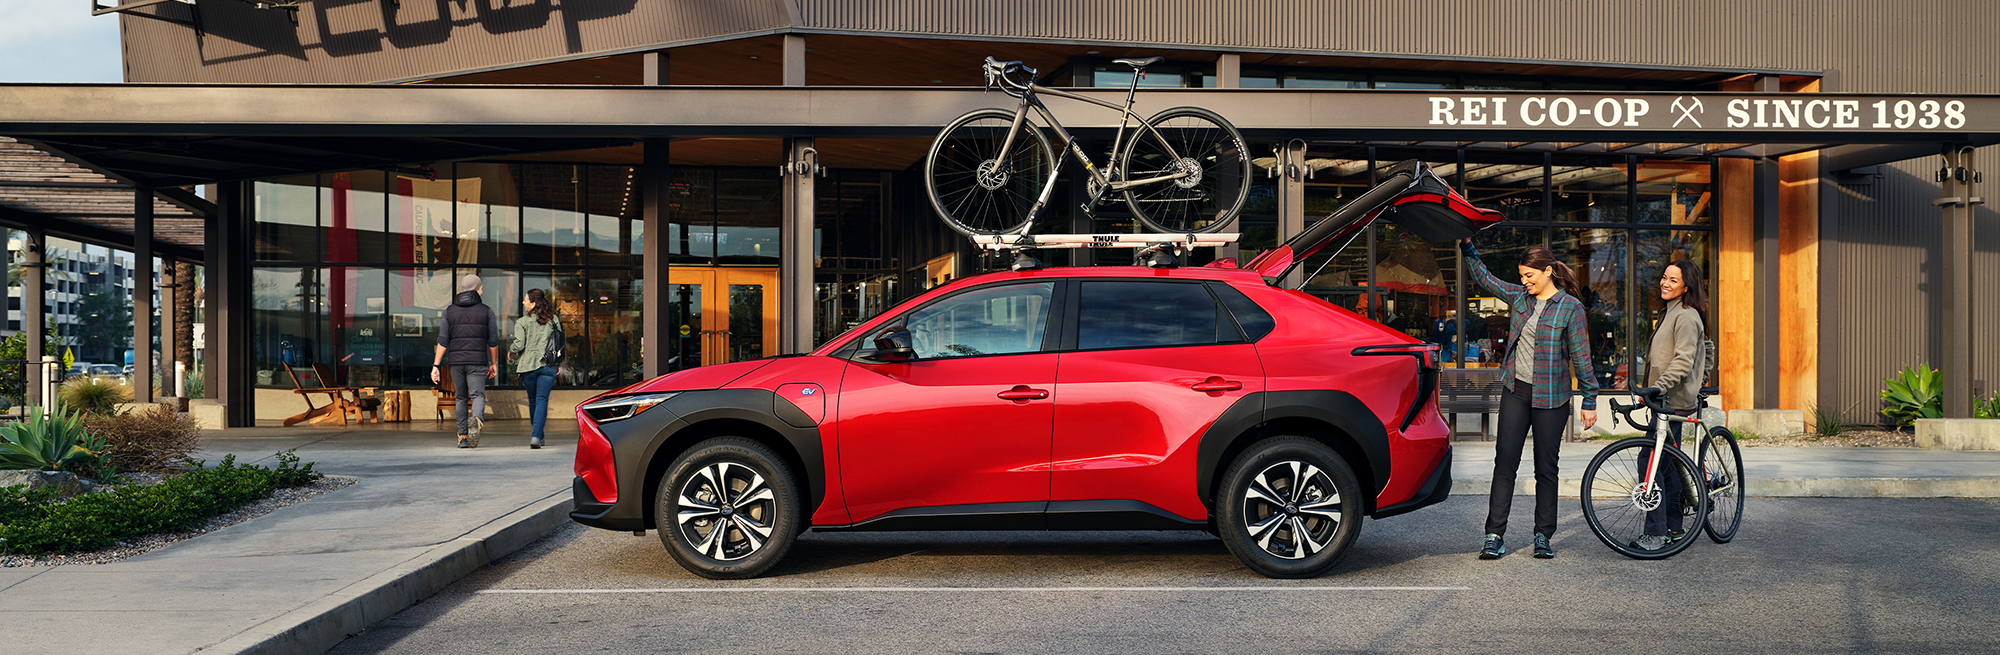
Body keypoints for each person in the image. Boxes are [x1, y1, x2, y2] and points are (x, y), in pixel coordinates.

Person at [1462, 241, 1599, 560]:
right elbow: (1486, 279)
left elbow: (1581, 356)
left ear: (1547, 271)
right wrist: (1469, 249)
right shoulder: (1520, 297)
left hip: (1552, 396)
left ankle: (1543, 535)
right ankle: (1494, 534)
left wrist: (1590, 399)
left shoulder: (1570, 308)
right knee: (1505, 462)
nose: (1525, 281)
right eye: (1522, 276)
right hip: (1516, 390)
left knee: (1546, 468)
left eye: (1530, 275)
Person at [1634, 260, 1709, 551]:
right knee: (1665, 463)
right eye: (1664, 278)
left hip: (1673, 401)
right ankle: (1675, 526)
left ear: (1686, 286)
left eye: (1673, 280)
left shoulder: (1687, 316)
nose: (1665, 283)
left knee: (1649, 460)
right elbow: (1707, 347)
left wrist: (1661, 387)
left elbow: (1684, 359)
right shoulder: (1670, 312)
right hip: (1665, 398)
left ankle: (1656, 533)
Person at [432, 274, 499, 449]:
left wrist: (436, 365)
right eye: (482, 287)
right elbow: (493, 341)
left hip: (456, 361)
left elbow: (442, 341)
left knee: (460, 397)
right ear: (477, 289)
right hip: (477, 361)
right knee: (477, 395)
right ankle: (476, 421)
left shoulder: (449, 311)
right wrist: (493, 363)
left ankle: (462, 436)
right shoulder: (486, 310)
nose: (483, 290)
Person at [509, 288, 561, 449]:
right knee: (542, 400)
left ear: (533, 303)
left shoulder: (522, 322)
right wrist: (558, 363)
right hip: (548, 365)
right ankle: (538, 435)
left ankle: (536, 435)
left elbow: (519, 344)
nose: (523, 302)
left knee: (533, 400)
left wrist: (511, 351)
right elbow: (559, 342)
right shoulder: (553, 320)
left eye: (525, 300)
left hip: (529, 366)